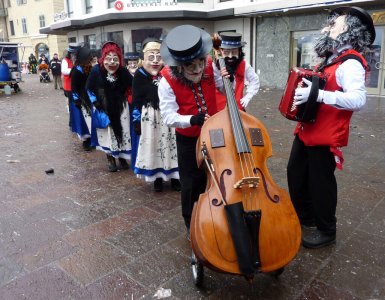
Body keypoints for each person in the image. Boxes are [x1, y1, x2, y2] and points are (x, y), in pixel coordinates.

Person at [287, 6, 375, 249]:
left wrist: (318, 95)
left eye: (335, 24)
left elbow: (358, 100)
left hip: (326, 136)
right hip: (307, 130)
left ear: (350, 31)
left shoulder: (352, 63)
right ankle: (306, 218)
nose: (328, 27)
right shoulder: (330, 59)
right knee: (296, 174)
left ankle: (327, 230)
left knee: (321, 183)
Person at [159, 25, 225, 234]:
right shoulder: (166, 81)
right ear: (178, 66)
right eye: (190, 66)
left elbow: (221, 86)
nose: (197, 70)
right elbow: (168, 116)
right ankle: (192, 223)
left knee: (219, 174)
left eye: (200, 64)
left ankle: (218, 214)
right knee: (190, 183)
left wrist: (229, 77)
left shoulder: (209, 66)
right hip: (188, 138)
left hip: (214, 132)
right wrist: (191, 120)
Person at [132, 39, 180, 192]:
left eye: (158, 57)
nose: (155, 61)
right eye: (150, 57)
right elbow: (136, 99)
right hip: (150, 117)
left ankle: (174, 177)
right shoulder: (139, 75)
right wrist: (136, 119)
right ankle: (157, 178)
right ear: (143, 59)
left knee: (170, 145)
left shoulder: (169, 73)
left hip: (168, 114)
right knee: (154, 145)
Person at [86, 41, 132, 172]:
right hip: (103, 108)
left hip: (121, 109)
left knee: (122, 132)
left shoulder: (123, 71)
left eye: (115, 59)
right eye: (108, 59)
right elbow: (89, 88)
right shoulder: (96, 71)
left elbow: (132, 87)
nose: (112, 62)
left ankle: (121, 157)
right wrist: (95, 101)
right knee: (108, 134)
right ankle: (110, 158)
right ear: (103, 59)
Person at [213, 32, 260, 111]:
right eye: (226, 52)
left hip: (238, 110)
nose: (230, 56)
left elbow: (255, 80)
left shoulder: (245, 66)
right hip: (218, 111)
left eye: (234, 52)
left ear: (239, 52)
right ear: (221, 51)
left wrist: (248, 96)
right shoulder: (214, 67)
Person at [70, 46, 93, 151]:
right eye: (89, 56)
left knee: (90, 119)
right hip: (80, 99)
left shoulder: (88, 67)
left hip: (88, 97)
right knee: (83, 121)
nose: (91, 58)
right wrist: (77, 100)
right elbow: (74, 87)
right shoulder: (77, 70)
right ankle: (86, 141)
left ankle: (91, 138)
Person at [124, 51, 140, 172]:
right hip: (127, 105)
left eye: (135, 62)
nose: (133, 65)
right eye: (131, 63)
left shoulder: (140, 74)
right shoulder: (125, 74)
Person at [62, 43, 81, 127]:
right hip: (69, 86)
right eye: (73, 53)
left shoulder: (78, 60)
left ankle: (76, 121)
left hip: (77, 86)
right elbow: (64, 71)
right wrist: (75, 70)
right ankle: (72, 122)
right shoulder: (65, 60)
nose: (74, 55)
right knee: (71, 104)